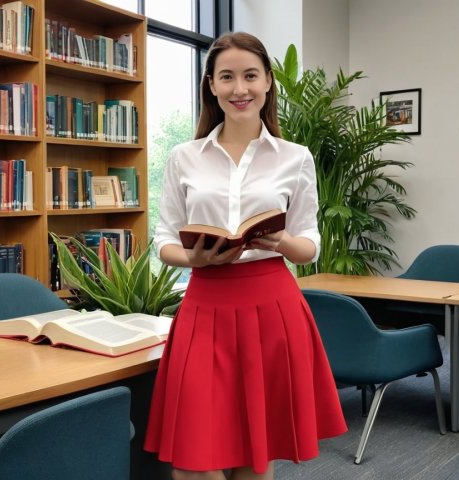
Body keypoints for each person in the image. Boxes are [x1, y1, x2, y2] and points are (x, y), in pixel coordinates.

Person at [144, 31, 347, 480]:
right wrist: (194, 260)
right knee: (194, 463)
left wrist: (283, 243)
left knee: (256, 455)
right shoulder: (184, 157)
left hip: (272, 305)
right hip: (204, 306)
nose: (240, 88)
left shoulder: (295, 158)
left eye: (250, 75)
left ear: (268, 82)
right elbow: (162, 240)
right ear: (211, 86)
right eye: (228, 77)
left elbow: (310, 242)